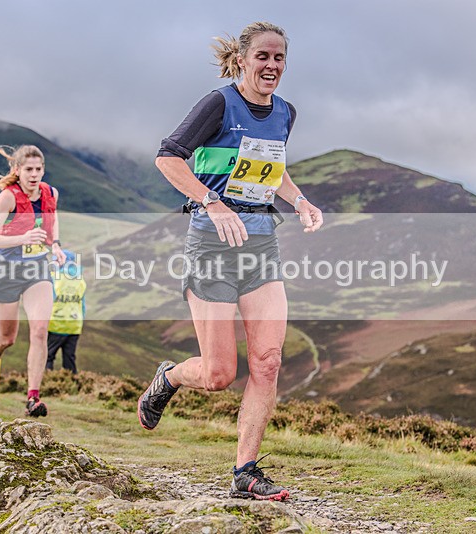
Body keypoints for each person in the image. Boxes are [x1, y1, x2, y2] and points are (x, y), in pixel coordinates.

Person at [138, 22, 322, 501]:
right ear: (242, 59)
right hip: (212, 246)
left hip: (262, 245)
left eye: (280, 58)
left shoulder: (285, 112)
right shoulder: (218, 104)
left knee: (268, 360)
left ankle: (247, 472)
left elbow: (271, 170)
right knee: (219, 374)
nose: (272, 66)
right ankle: (169, 377)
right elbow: (168, 157)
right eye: (263, 56)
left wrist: (299, 201)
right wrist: (211, 203)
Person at [0, 143, 66, 417]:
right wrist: (22, 238)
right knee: (6, 339)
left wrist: (56, 247)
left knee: (40, 331)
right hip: (6, 270)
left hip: (37, 271)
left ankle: (33, 398)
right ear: (17, 170)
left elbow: (52, 226)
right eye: (28, 169)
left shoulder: (50, 193)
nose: (34, 174)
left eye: (38, 169)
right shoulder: (8, 197)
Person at [46, 250, 86, 374]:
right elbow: (82, 304)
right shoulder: (80, 279)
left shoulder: (54, 278)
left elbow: (47, 301)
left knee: (47, 356)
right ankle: (71, 386)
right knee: (69, 358)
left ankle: (46, 384)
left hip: (56, 324)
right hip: (74, 325)